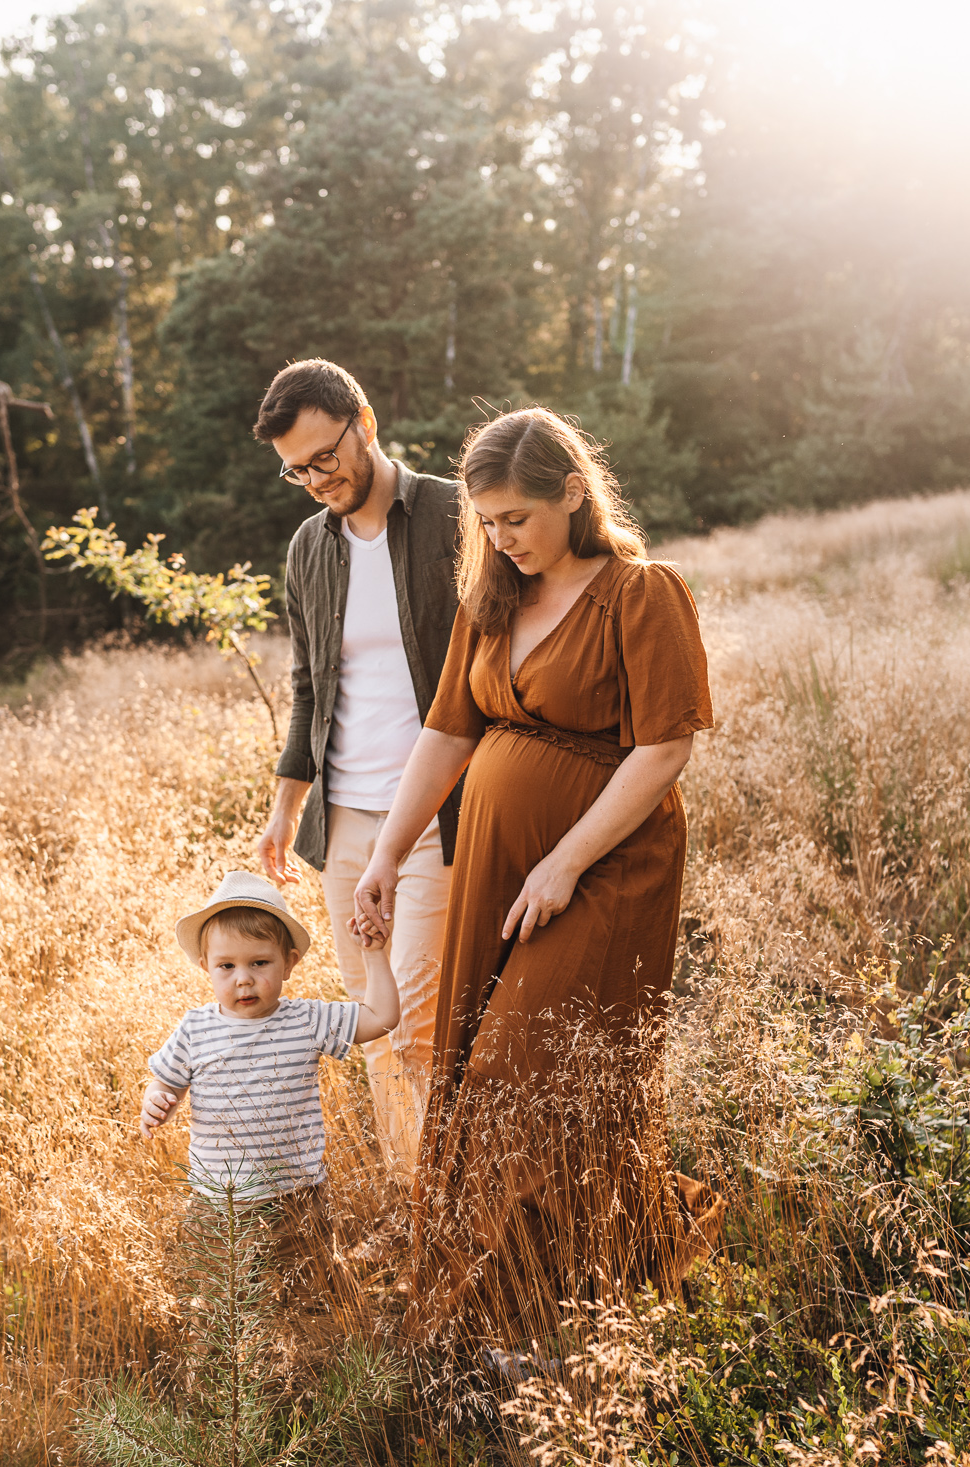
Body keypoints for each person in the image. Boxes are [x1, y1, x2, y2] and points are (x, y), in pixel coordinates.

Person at [352, 406, 724, 1344]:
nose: (500, 537)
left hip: (604, 866)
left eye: (515, 517)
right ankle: (522, 1299)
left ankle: (569, 1285)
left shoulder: (643, 593)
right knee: (483, 1070)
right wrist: (387, 852)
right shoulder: (496, 602)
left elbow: (664, 747)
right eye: (486, 520)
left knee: (535, 1067)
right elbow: (448, 732)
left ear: (572, 492)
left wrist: (565, 859)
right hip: (495, 865)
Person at [252, 359, 463, 1185]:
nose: (313, 479)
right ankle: (414, 1197)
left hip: (439, 814)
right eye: (294, 470)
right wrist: (284, 808)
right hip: (345, 824)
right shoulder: (310, 547)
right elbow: (308, 686)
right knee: (373, 1022)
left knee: (412, 1018)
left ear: (365, 423)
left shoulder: (454, 514)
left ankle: (434, 1198)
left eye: (323, 456)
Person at [142, 871, 400, 1209]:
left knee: (304, 1264)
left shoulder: (306, 1020)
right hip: (219, 1203)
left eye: (259, 962)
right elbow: (167, 1084)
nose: (244, 979)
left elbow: (381, 1018)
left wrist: (374, 954)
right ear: (206, 967)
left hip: (296, 1198)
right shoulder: (195, 1029)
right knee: (222, 1265)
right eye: (227, 966)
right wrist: (158, 1100)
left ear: (288, 963)